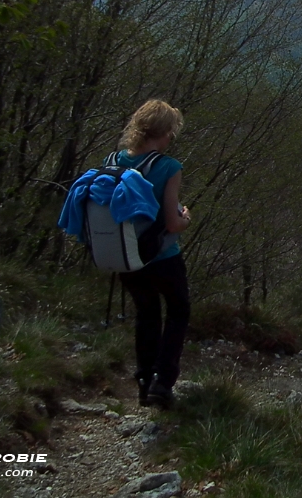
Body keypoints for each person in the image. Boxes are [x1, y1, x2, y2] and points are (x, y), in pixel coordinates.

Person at [115, 100, 192, 408]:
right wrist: (186, 218)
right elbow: (172, 221)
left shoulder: (116, 160)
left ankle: (145, 380)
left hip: (126, 256)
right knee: (178, 311)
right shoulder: (168, 167)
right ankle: (163, 381)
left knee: (146, 315)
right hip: (161, 256)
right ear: (167, 132)